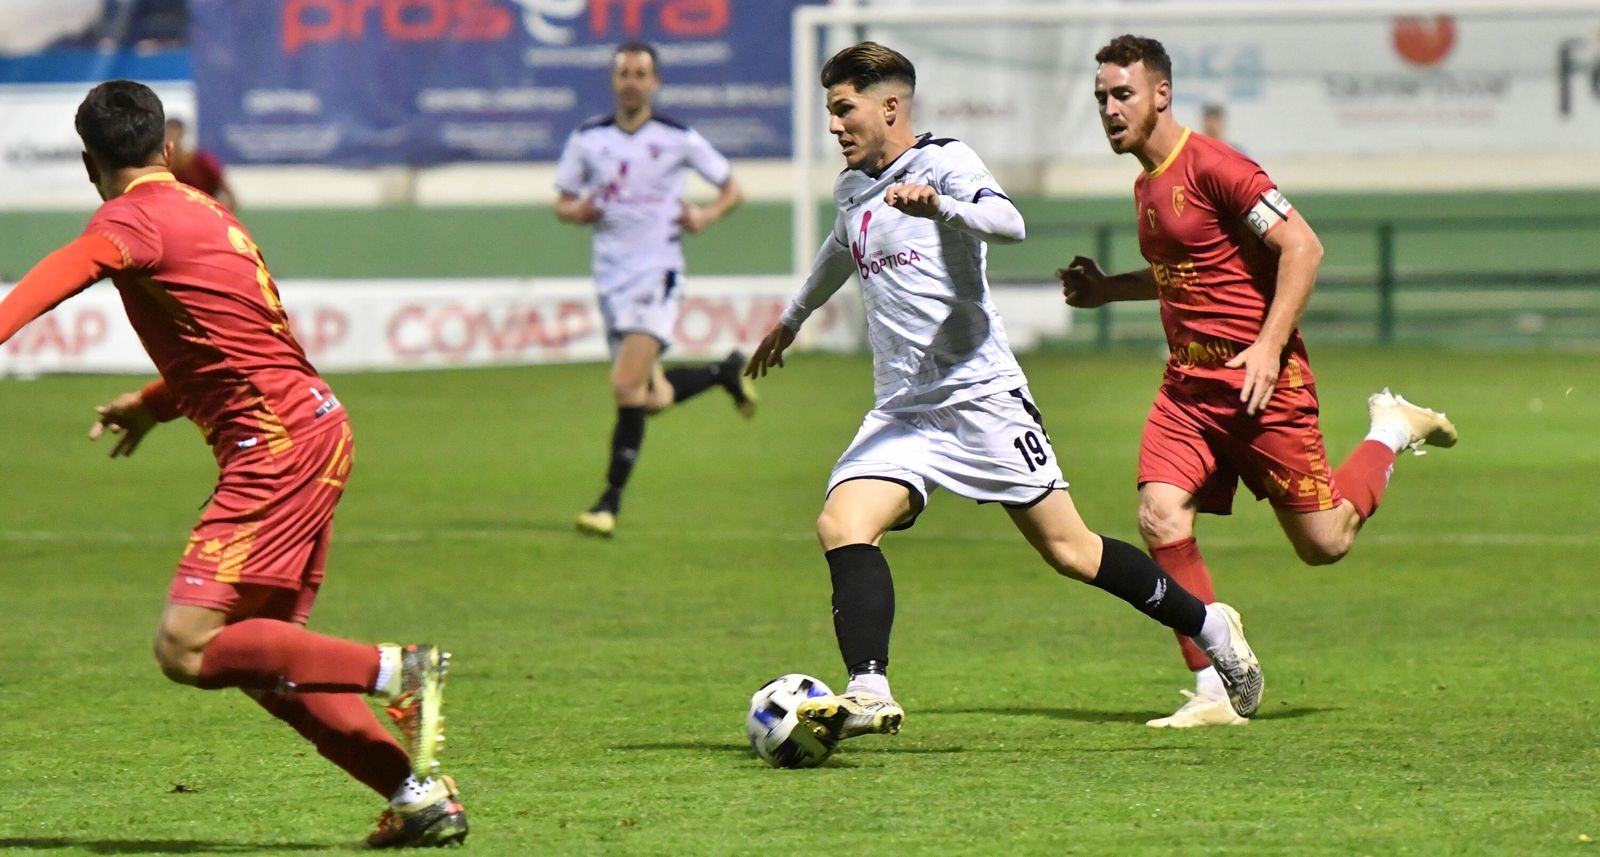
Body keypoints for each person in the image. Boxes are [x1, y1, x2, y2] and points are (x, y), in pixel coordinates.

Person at [744, 41, 1263, 747]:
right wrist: (791, 319)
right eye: (830, 111)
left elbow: (1009, 223)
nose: (834, 125)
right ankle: (869, 687)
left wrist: (944, 208)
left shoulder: (945, 162)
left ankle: (1209, 623)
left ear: (890, 106)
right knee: (841, 523)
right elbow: (840, 245)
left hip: (982, 399)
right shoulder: (851, 186)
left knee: (1073, 551)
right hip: (903, 410)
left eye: (844, 109)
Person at [0, 80, 466, 847]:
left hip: (276, 447)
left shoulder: (127, 220)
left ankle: (401, 670)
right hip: (316, 425)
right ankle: (418, 795)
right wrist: (154, 405)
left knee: (183, 646)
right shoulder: (210, 213)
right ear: (168, 148)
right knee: (268, 660)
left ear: (91, 165)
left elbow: (70, 266)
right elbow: (239, 347)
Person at [1059, 35, 1458, 729]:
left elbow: (1303, 245)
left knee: (1324, 542)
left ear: (1162, 94)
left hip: (1260, 387)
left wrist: (1270, 346)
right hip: (1189, 390)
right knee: (1159, 515)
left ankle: (1390, 428)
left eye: (1122, 94)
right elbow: (1180, 275)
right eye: (1100, 97)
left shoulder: (1217, 165)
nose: (1109, 108)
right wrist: (1105, 292)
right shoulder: (1146, 184)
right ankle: (1214, 688)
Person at [555, 40, 753, 538]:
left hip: (656, 271)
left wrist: (706, 215)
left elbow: (732, 188)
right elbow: (563, 200)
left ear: (655, 83)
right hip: (611, 277)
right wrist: (576, 211)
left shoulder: (677, 138)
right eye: (624, 73)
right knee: (653, 395)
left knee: (625, 387)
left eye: (641, 73)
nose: (632, 81)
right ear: (613, 80)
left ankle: (608, 502)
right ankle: (722, 371)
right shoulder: (588, 139)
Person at [164, 117, 236, 210]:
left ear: (182, 135)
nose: (172, 138)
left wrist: (220, 216)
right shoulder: (161, 166)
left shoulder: (202, 160)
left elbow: (229, 195)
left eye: (175, 134)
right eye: (169, 134)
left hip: (204, 215)